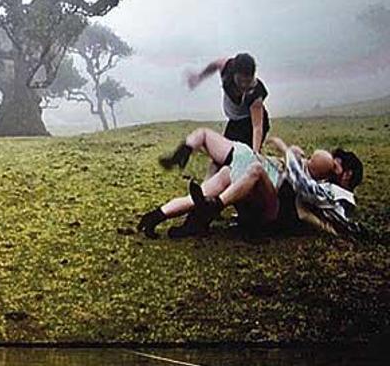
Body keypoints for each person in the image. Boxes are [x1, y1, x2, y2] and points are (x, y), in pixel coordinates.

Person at [140, 127, 363, 238]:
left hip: (271, 210)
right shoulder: (306, 173)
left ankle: (212, 207)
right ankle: (157, 216)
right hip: (259, 191)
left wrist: (286, 151)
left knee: (253, 170)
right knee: (220, 179)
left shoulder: (324, 192)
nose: (333, 167)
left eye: (337, 166)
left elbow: (315, 215)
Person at [184, 53, 270, 157]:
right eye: (240, 80)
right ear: (234, 73)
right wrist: (199, 76)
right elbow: (215, 64)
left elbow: (257, 127)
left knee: (240, 158)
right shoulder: (226, 68)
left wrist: (255, 153)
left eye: (247, 81)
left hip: (250, 124)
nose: (244, 85)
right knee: (220, 157)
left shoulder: (256, 94)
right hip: (235, 122)